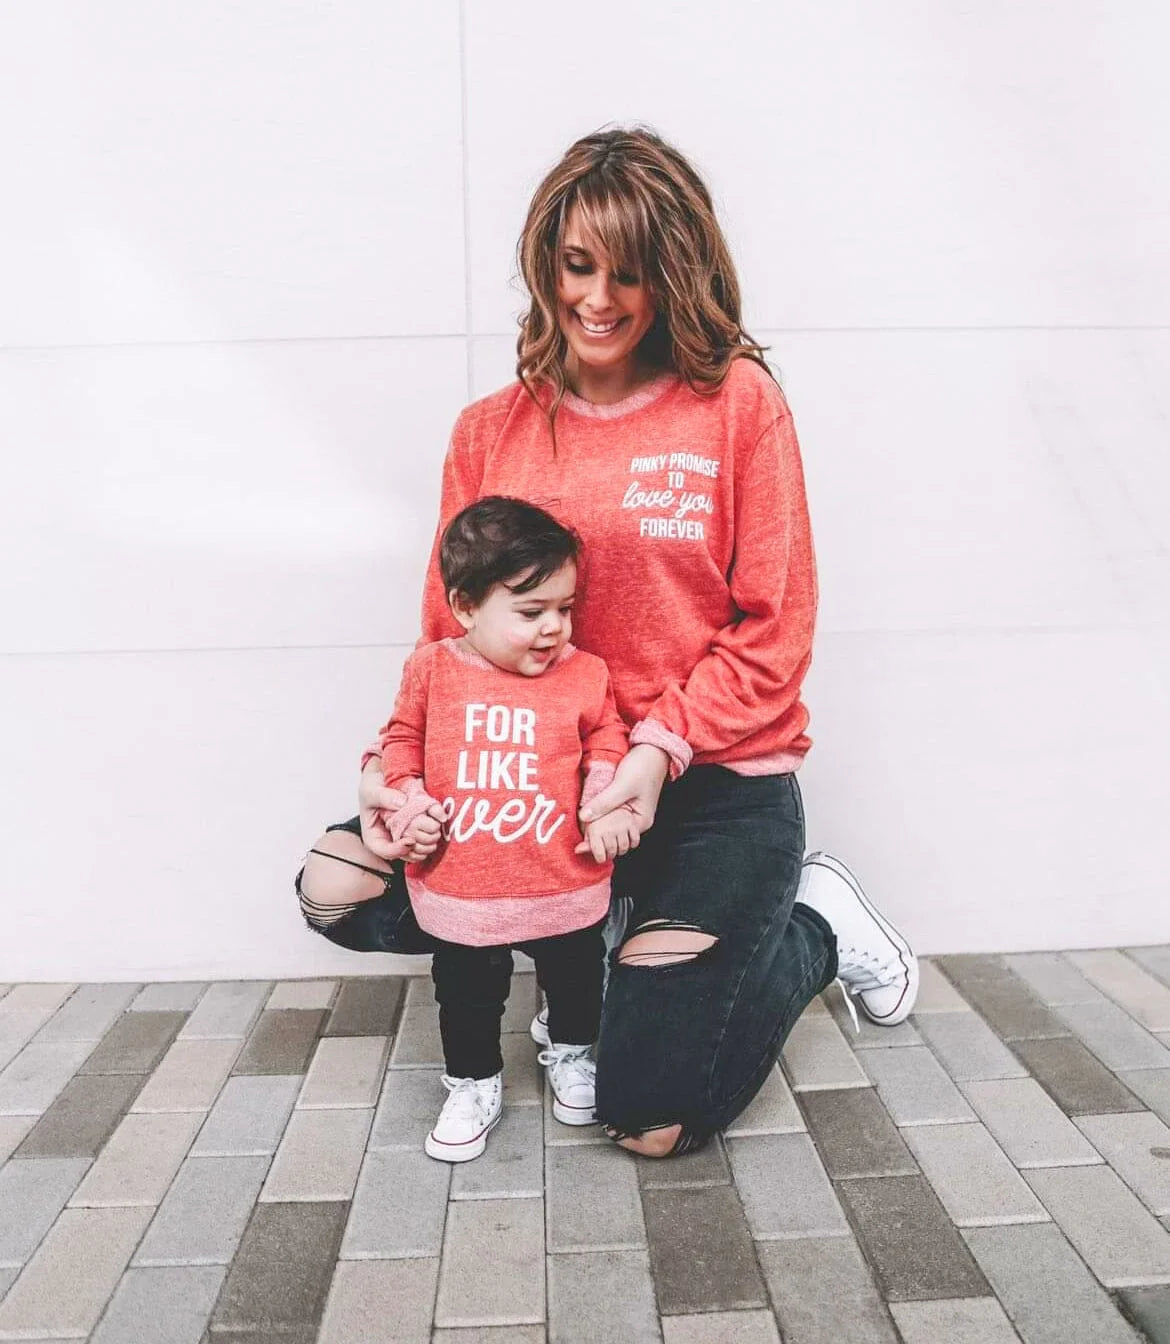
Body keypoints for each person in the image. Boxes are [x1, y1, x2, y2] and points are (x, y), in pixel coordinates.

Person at [297, 125, 918, 1158]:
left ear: (673, 274)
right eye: (577, 265)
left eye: (627, 272)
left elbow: (776, 629)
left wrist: (652, 747)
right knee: (335, 884)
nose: (596, 297)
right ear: (546, 265)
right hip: (534, 788)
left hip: (708, 779)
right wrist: (392, 778)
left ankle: (810, 926)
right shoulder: (488, 431)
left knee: (653, 1118)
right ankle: (593, 932)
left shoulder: (737, 407)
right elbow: (444, 641)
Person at [376, 495, 632, 1161]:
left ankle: (570, 1050)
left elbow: (608, 737)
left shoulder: (585, 674)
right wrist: (407, 801)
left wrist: (604, 799)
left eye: (564, 608)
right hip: (465, 880)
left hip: (562, 872)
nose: (554, 628)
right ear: (464, 607)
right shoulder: (433, 669)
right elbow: (401, 740)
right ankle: (473, 1082)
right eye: (530, 612)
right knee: (467, 989)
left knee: (578, 971)